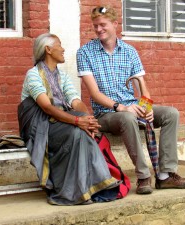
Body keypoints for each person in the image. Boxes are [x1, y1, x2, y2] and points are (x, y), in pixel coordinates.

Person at [76, 6, 185, 195]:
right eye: (95, 26)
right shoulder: (85, 53)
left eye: (103, 25)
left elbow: (142, 86)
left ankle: (165, 175)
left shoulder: (129, 51)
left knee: (170, 114)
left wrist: (146, 108)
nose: (98, 29)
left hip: (133, 106)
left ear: (115, 24)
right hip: (107, 113)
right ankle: (143, 176)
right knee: (127, 118)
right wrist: (121, 107)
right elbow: (94, 93)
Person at [18, 33, 119, 205]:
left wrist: (88, 119)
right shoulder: (33, 74)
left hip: (61, 124)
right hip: (40, 127)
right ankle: (74, 191)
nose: (63, 49)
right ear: (48, 50)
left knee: (81, 131)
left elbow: (76, 101)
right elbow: (47, 107)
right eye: (59, 45)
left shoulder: (62, 76)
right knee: (78, 130)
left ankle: (85, 189)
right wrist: (79, 121)